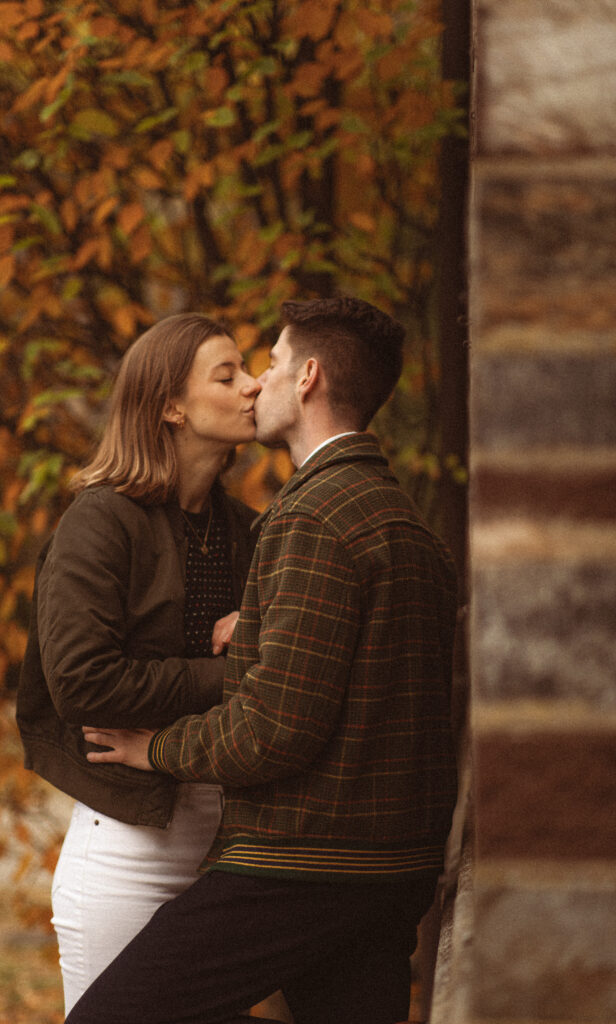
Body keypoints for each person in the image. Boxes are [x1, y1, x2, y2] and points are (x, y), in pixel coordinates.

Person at [67, 296, 459, 1024]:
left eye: (271, 364)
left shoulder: (310, 516)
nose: (258, 383)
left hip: (305, 862)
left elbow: (273, 727)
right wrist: (262, 628)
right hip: (396, 867)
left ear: (307, 377)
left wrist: (158, 749)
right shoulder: (407, 525)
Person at [16, 313, 262, 1014]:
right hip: (130, 850)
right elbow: (83, 681)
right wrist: (235, 669)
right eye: (228, 374)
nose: (252, 388)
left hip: (234, 844)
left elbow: (291, 670)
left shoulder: (248, 531)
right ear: (169, 406)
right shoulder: (102, 520)